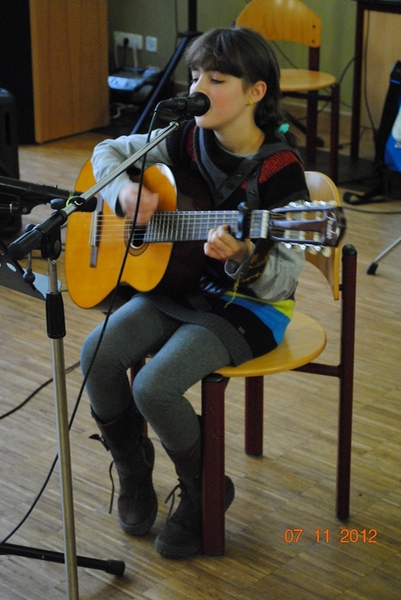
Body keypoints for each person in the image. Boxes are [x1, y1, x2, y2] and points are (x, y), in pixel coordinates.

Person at [81, 26, 309, 560]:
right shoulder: (184, 136)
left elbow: (284, 280)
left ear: (255, 92)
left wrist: (244, 256)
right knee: (97, 354)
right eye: (195, 75)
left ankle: (205, 489)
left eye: (217, 78)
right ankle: (133, 469)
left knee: (155, 386)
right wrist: (124, 191)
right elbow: (107, 150)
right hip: (180, 284)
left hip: (250, 306)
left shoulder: (282, 172)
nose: (198, 87)